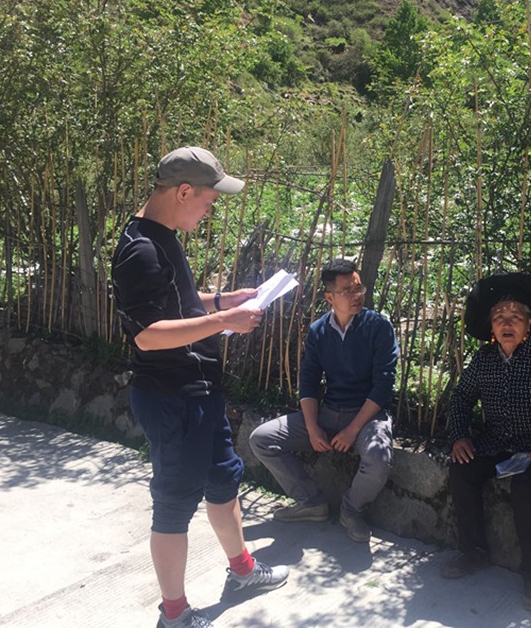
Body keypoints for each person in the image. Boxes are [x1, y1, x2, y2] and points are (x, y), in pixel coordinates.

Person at [111, 146, 289, 628]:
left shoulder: (163, 237)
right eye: (209, 200)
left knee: (223, 481)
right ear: (184, 191)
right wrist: (224, 321)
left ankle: (242, 571)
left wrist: (221, 301)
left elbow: (177, 303)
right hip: (172, 399)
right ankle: (174, 614)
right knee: (174, 505)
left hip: (200, 392)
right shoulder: (140, 251)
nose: (210, 210)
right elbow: (148, 335)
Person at [440, 272, 531, 612]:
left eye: (515, 317)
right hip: (494, 443)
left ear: (529, 323)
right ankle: (473, 551)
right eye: (499, 317)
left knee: (525, 488)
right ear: (491, 325)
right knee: (462, 470)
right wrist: (459, 436)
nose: (506, 324)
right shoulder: (484, 360)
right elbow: (461, 398)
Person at [249, 258, 398, 543]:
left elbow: (383, 386)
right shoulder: (319, 330)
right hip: (329, 412)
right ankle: (311, 502)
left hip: (368, 417)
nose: (357, 295)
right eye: (348, 291)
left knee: (378, 459)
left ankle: (351, 510)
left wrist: (352, 430)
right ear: (329, 297)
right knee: (261, 439)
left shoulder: (378, 327)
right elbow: (308, 380)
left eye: (359, 288)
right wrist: (313, 427)